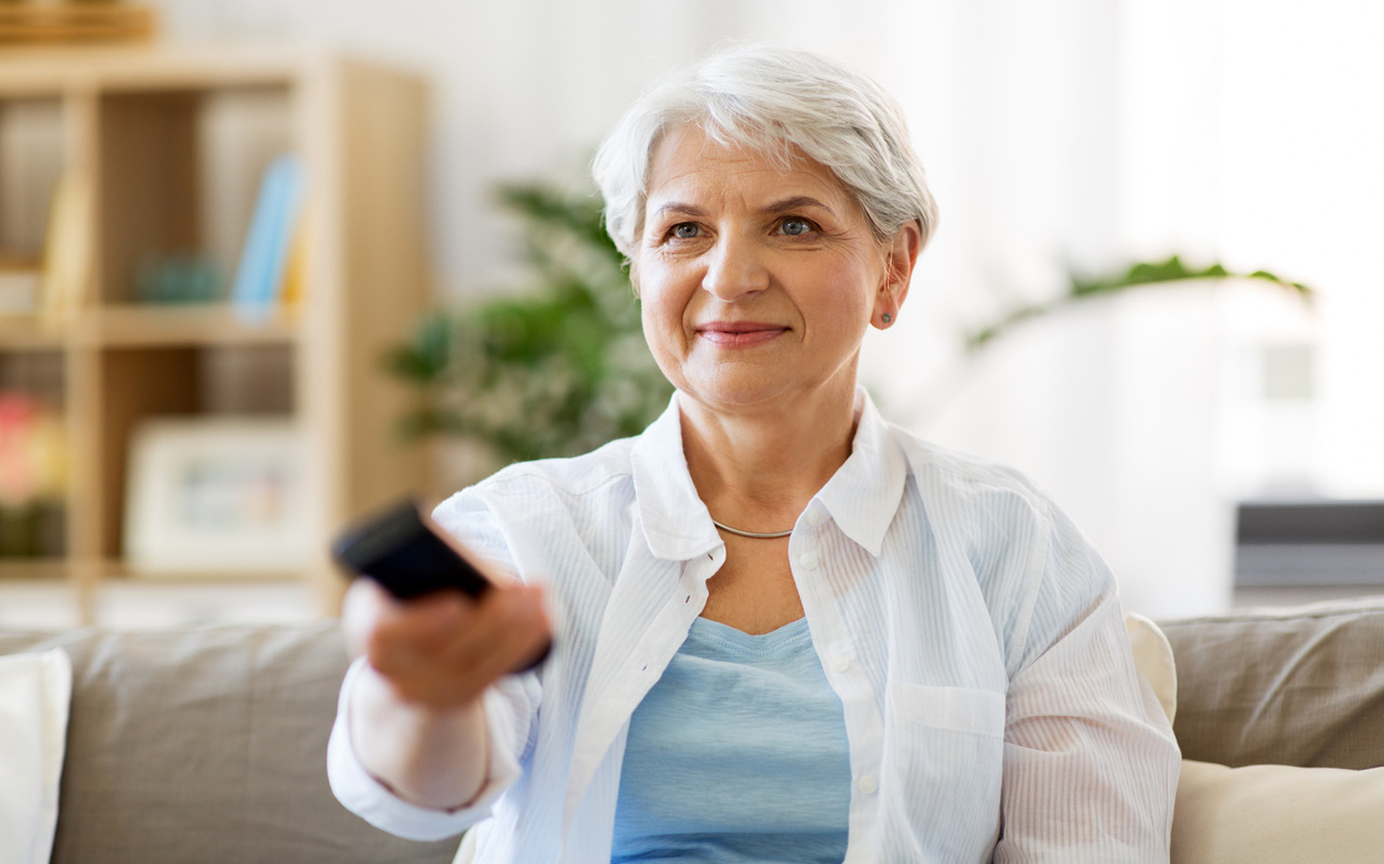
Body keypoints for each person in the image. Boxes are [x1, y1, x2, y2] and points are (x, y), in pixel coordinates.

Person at [328, 43, 1180, 863]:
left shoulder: (1016, 549)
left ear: (894, 268)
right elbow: (417, 794)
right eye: (685, 231)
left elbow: (1090, 846)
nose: (729, 277)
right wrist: (427, 698)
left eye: (793, 225)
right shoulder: (521, 528)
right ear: (637, 270)